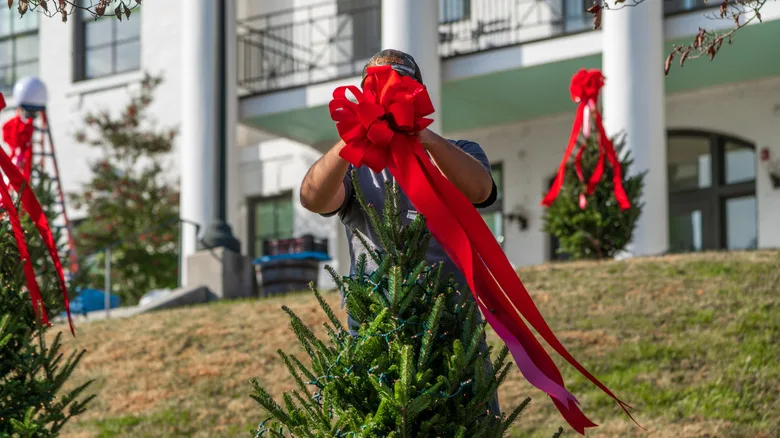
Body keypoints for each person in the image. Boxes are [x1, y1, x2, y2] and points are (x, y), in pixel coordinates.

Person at [299, 49, 500, 414]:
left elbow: (480, 190)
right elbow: (313, 197)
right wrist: (354, 137)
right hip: (376, 326)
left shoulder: (458, 152)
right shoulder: (354, 165)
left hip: (452, 325)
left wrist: (422, 136)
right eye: (374, 91)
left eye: (398, 88)